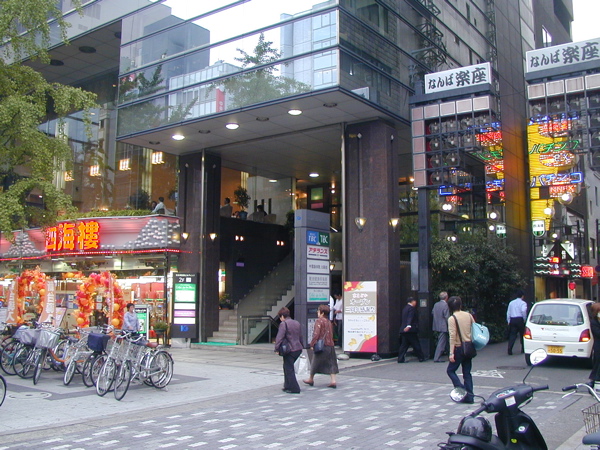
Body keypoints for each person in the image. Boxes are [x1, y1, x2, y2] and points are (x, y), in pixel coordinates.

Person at [447, 295, 475, 403]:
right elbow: (474, 328)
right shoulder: (468, 315)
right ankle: (470, 396)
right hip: (468, 347)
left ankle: (461, 390)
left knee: (450, 370)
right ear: (460, 305)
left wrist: (451, 353)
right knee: (467, 373)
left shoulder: (452, 318)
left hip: (458, 348)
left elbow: (452, 336)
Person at [303, 304, 339, 388]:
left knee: (315, 362)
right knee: (332, 362)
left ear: (322, 313)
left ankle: (311, 379)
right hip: (330, 345)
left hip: (322, 345)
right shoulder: (329, 322)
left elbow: (316, 334)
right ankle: (333, 381)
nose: (317, 312)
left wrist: (312, 344)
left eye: (318, 311)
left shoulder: (319, 321)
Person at [274, 307, 304, 394]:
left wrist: (276, 348)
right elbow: (300, 336)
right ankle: (287, 385)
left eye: (280, 317)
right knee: (287, 366)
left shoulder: (284, 324)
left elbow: (279, 337)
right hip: (298, 348)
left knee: (289, 368)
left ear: (282, 316)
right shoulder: (296, 323)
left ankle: (294, 388)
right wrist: (302, 345)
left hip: (290, 349)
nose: (280, 319)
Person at [397, 297, 426, 363]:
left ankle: (400, 359)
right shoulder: (411, 308)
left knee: (404, 345)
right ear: (412, 301)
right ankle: (421, 357)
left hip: (404, 330)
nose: (416, 302)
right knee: (416, 344)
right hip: (410, 330)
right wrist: (408, 325)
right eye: (415, 301)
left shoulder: (405, 308)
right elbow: (410, 317)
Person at [506, 289, 527, 355]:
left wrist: (508, 320)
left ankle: (510, 349)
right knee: (522, 334)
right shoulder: (523, 303)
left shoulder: (511, 303)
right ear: (522, 296)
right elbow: (523, 311)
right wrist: (524, 319)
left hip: (512, 319)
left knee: (512, 335)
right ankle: (523, 349)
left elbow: (508, 312)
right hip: (520, 319)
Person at [432, 291, 450, 363]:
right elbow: (447, 316)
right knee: (442, 342)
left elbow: (433, 312)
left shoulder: (436, 304)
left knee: (445, 341)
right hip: (443, 326)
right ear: (446, 297)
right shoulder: (445, 305)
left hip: (437, 324)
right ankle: (436, 357)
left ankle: (450, 355)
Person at [588, 303, 600, 387]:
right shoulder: (594, 322)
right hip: (598, 346)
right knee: (597, 364)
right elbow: (598, 333)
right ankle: (593, 381)